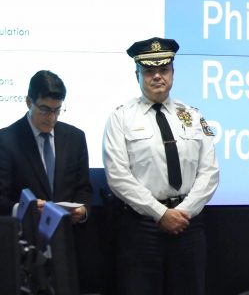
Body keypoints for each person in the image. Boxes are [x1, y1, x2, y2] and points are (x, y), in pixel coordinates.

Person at [102, 37, 219, 295]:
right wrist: (160, 214)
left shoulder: (193, 115)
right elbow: (118, 176)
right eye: (149, 71)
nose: (157, 76)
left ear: (173, 73)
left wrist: (182, 212)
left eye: (163, 70)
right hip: (142, 228)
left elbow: (210, 172)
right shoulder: (121, 117)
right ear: (138, 74)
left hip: (188, 226)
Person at [0, 70, 91, 223]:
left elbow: (84, 188)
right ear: (29, 102)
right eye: (45, 110)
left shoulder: (76, 137)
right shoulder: (6, 140)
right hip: (24, 235)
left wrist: (83, 210)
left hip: (67, 235)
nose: (51, 118)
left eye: (57, 110)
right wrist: (22, 209)